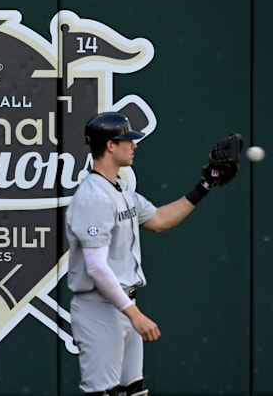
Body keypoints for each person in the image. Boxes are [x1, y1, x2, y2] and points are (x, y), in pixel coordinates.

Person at [65, 112, 240, 396]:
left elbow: (159, 220)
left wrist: (205, 186)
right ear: (111, 145)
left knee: (134, 391)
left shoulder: (120, 188)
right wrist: (134, 314)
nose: (134, 145)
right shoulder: (93, 197)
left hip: (122, 304)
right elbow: (96, 268)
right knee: (103, 393)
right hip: (99, 308)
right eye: (128, 140)